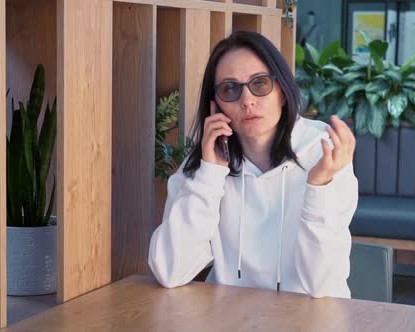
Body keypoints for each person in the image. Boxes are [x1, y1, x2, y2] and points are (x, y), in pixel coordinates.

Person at [148, 31, 358, 299]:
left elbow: (323, 285)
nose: (247, 100)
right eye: (230, 89)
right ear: (216, 105)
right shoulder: (206, 162)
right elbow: (169, 270)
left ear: (282, 90)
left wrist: (319, 187)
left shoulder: (325, 152)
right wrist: (210, 175)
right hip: (230, 319)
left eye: (260, 84)